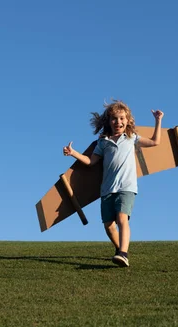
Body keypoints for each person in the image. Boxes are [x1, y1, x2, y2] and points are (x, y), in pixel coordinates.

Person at [63, 100, 164, 267]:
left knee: (122, 218)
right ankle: (120, 251)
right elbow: (90, 161)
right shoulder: (103, 142)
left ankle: (123, 253)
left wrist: (158, 120)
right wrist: (73, 153)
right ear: (109, 122)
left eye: (122, 118)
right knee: (108, 226)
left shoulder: (132, 138)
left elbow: (155, 142)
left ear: (128, 120)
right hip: (107, 189)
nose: (119, 122)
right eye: (115, 119)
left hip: (127, 187)